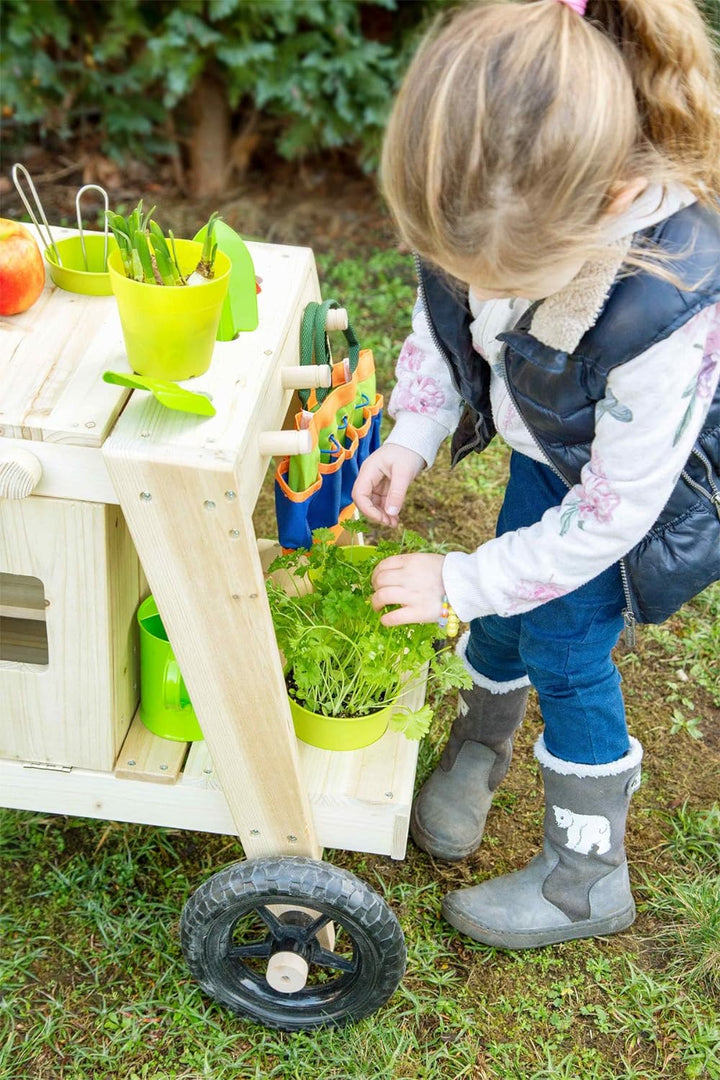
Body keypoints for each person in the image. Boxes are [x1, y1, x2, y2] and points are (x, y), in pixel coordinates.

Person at [352, 0, 720, 949]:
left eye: (502, 275)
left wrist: (459, 581)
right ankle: (481, 741)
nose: (478, 284)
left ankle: (585, 878)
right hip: (558, 454)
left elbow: (607, 517)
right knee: (522, 593)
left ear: (602, 208)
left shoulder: (665, 304)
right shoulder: (492, 181)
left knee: (566, 645)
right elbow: (445, 330)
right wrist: (412, 435)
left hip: (641, 497)